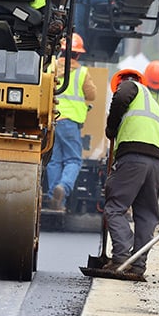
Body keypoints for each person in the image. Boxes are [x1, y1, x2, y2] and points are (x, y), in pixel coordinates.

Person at [100, 66, 159, 282]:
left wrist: (111, 127)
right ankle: (137, 265)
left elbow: (121, 97)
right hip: (157, 163)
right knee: (147, 215)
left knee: (115, 207)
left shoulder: (130, 86)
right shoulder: (152, 103)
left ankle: (121, 258)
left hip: (133, 157)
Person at [44, 33, 96, 211]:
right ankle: (63, 187)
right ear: (78, 54)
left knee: (54, 160)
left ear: (62, 51)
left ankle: (55, 200)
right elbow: (92, 95)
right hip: (70, 122)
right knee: (73, 160)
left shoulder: (51, 66)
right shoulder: (82, 73)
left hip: (52, 120)